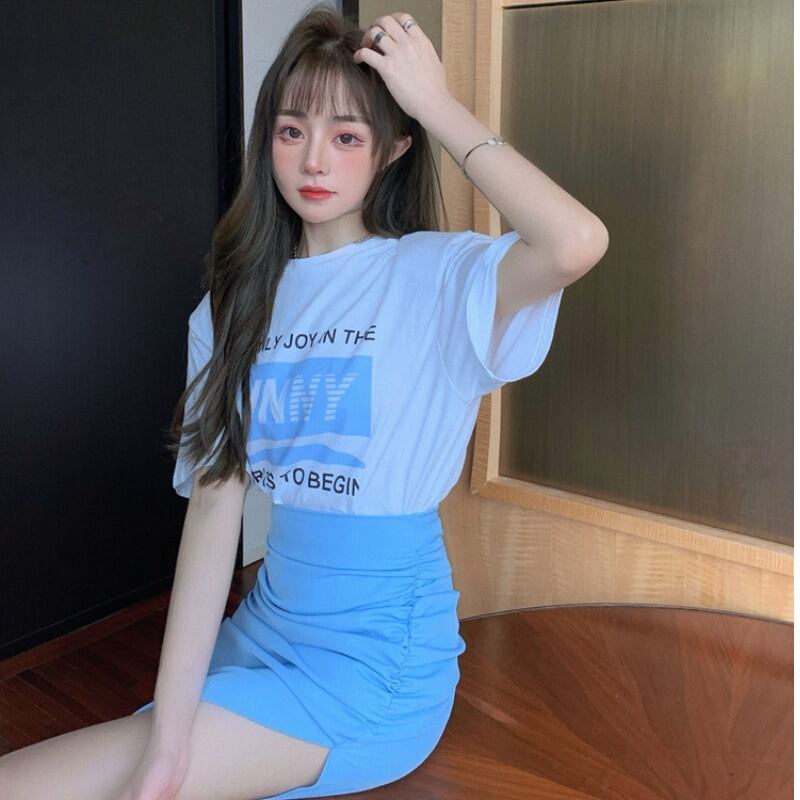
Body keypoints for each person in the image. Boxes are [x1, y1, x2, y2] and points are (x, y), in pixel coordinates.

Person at [0, 4, 607, 799]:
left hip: (372, 667)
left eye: (348, 136)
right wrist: (169, 738)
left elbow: (574, 242)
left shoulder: (435, 277)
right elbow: (213, 516)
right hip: (266, 625)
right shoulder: (231, 307)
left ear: (393, 149)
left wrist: (434, 104)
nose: (313, 159)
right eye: (292, 131)